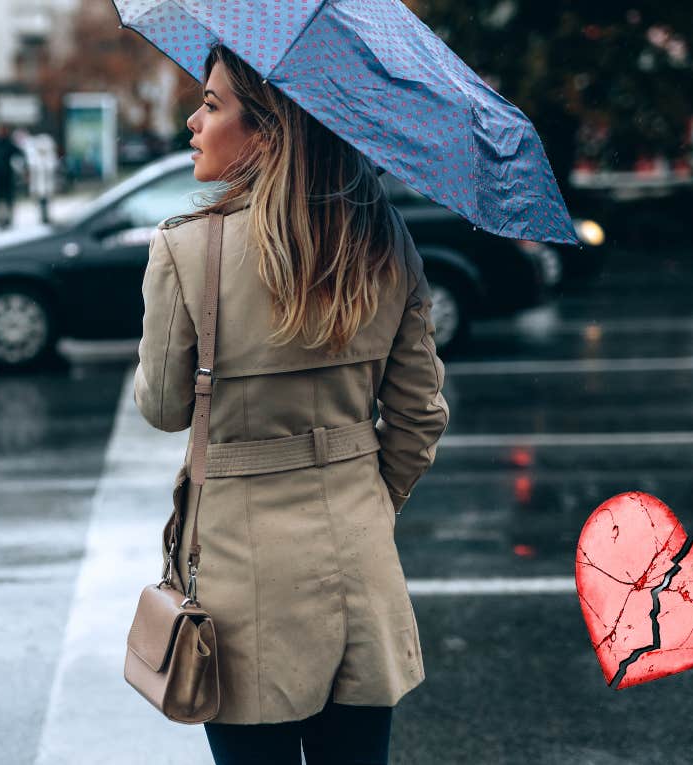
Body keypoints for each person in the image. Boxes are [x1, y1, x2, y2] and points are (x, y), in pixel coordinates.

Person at [134, 44, 449, 765]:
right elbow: (419, 416)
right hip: (360, 565)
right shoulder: (386, 243)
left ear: (269, 131)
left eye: (212, 105)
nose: (193, 120)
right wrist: (367, 502)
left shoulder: (185, 251)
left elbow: (161, 406)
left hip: (243, 585)